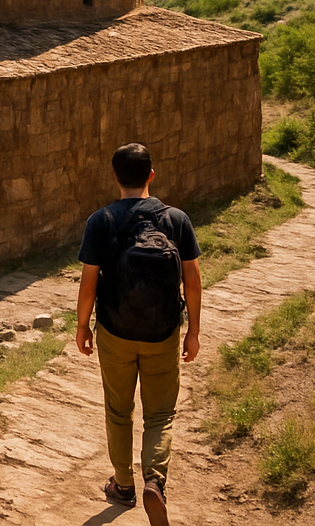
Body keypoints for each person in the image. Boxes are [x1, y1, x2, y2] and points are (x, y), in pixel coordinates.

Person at [75, 142, 202, 526]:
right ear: (151, 174)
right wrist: (193, 332)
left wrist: (83, 326)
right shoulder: (176, 219)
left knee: (119, 410)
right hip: (162, 333)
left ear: (115, 176)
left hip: (115, 332)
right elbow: (192, 281)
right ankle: (155, 482)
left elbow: (89, 283)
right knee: (161, 413)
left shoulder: (101, 221)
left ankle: (123, 485)